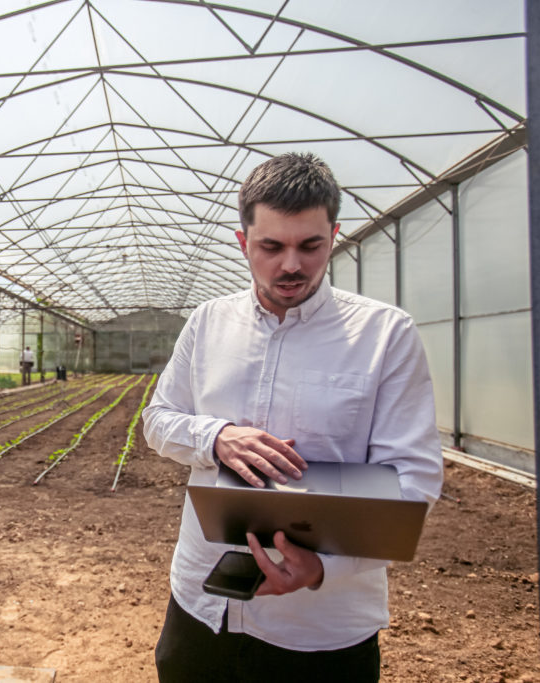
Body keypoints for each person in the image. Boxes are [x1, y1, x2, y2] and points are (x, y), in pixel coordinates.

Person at [142, 152, 442, 682]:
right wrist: (216, 437)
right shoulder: (209, 321)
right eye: (271, 246)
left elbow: (412, 481)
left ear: (335, 235)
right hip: (201, 605)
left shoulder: (384, 335)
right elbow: (159, 419)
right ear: (243, 243)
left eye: (311, 246)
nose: (291, 266)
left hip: (318, 629)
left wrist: (324, 566)